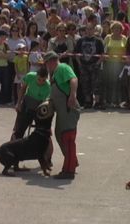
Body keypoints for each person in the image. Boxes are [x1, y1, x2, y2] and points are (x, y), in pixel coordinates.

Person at [44, 51, 80, 180]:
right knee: (60, 134)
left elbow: (74, 79)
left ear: (51, 61)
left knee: (67, 137)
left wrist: (72, 95)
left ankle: (69, 170)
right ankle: (72, 161)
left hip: (68, 108)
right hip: (61, 110)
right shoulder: (54, 74)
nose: (47, 66)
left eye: (47, 63)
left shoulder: (63, 68)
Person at [11, 67, 52, 171]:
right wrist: (18, 103)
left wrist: (47, 122)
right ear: (36, 76)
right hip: (27, 104)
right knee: (18, 132)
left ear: (46, 79)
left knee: (45, 135)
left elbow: (47, 105)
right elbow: (23, 89)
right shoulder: (30, 76)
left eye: (43, 80)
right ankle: (13, 159)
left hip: (39, 108)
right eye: (39, 79)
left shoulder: (48, 87)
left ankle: (48, 159)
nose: (41, 82)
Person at [74, 23, 105, 109]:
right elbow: (76, 53)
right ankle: (88, 101)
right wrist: (80, 64)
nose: (89, 31)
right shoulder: (80, 40)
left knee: (96, 84)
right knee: (85, 84)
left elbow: (102, 55)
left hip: (94, 65)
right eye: (87, 29)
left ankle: (98, 102)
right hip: (84, 66)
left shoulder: (98, 41)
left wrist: (97, 64)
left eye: (91, 29)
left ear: (94, 30)